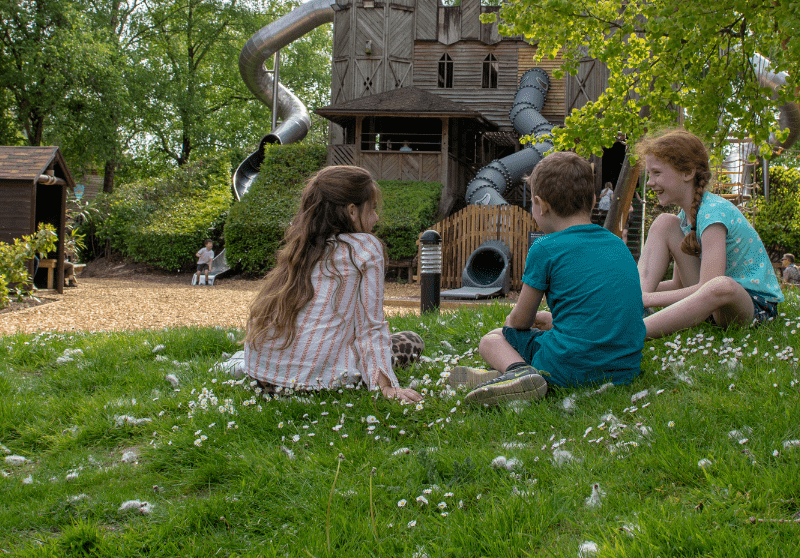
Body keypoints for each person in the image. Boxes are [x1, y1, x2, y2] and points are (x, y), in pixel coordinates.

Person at [455, 151, 645, 406]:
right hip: (624, 369)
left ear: (540, 204)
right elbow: (601, 310)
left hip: (568, 369)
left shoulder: (545, 248)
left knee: (492, 340)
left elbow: (520, 321)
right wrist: (552, 319)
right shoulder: (617, 244)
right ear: (591, 200)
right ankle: (505, 377)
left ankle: (519, 373)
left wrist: (516, 321)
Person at [243, 166, 423, 401]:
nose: (376, 218)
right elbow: (370, 326)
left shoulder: (301, 246)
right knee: (411, 341)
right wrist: (387, 386)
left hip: (262, 377)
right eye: (373, 209)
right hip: (316, 383)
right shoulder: (365, 248)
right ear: (352, 211)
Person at [637, 128, 782, 338]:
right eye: (649, 174)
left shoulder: (713, 214)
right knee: (664, 223)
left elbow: (709, 286)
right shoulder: (685, 218)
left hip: (751, 306)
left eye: (657, 173)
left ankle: (631, 335)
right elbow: (679, 284)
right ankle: (634, 306)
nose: (650, 182)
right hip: (713, 305)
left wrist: (650, 299)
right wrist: (635, 295)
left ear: (688, 173)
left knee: (721, 285)